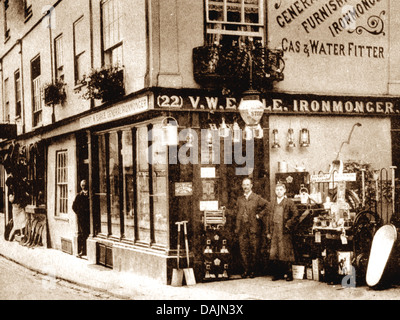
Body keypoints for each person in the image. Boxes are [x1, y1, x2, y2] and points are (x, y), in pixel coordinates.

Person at [235, 177, 269, 278]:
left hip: (253, 228)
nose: (245, 187)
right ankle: (246, 270)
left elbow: (268, 206)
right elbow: (236, 212)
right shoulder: (240, 199)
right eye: (244, 185)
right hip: (242, 228)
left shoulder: (257, 198)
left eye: (247, 184)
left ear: (251, 186)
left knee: (254, 250)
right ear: (242, 186)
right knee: (243, 250)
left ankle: (253, 271)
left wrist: (259, 215)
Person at [266, 182, 300, 281]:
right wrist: (268, 231)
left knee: (286, 253)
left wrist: (288, 224)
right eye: (277, 190)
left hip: (284, 231)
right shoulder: (272, 203)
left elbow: (296, 215)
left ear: (284, 190)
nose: (279, 192)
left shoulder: (289, 202)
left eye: (281, 189)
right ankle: (278, 274)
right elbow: (268, 218)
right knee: (275, 253)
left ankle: (289, 274)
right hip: (275, 231)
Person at [72, 179, 90, 258]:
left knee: (89, 233)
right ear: (81, 186)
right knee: (83, 234)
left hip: (90, 218)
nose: (84, 187)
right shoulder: (79, 195)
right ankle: (83, 251)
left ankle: (88, 251)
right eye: (82, 185)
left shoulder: (90, 194)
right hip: (82, 218)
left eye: (85, 185)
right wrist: (79, 214)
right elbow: (73, 207)